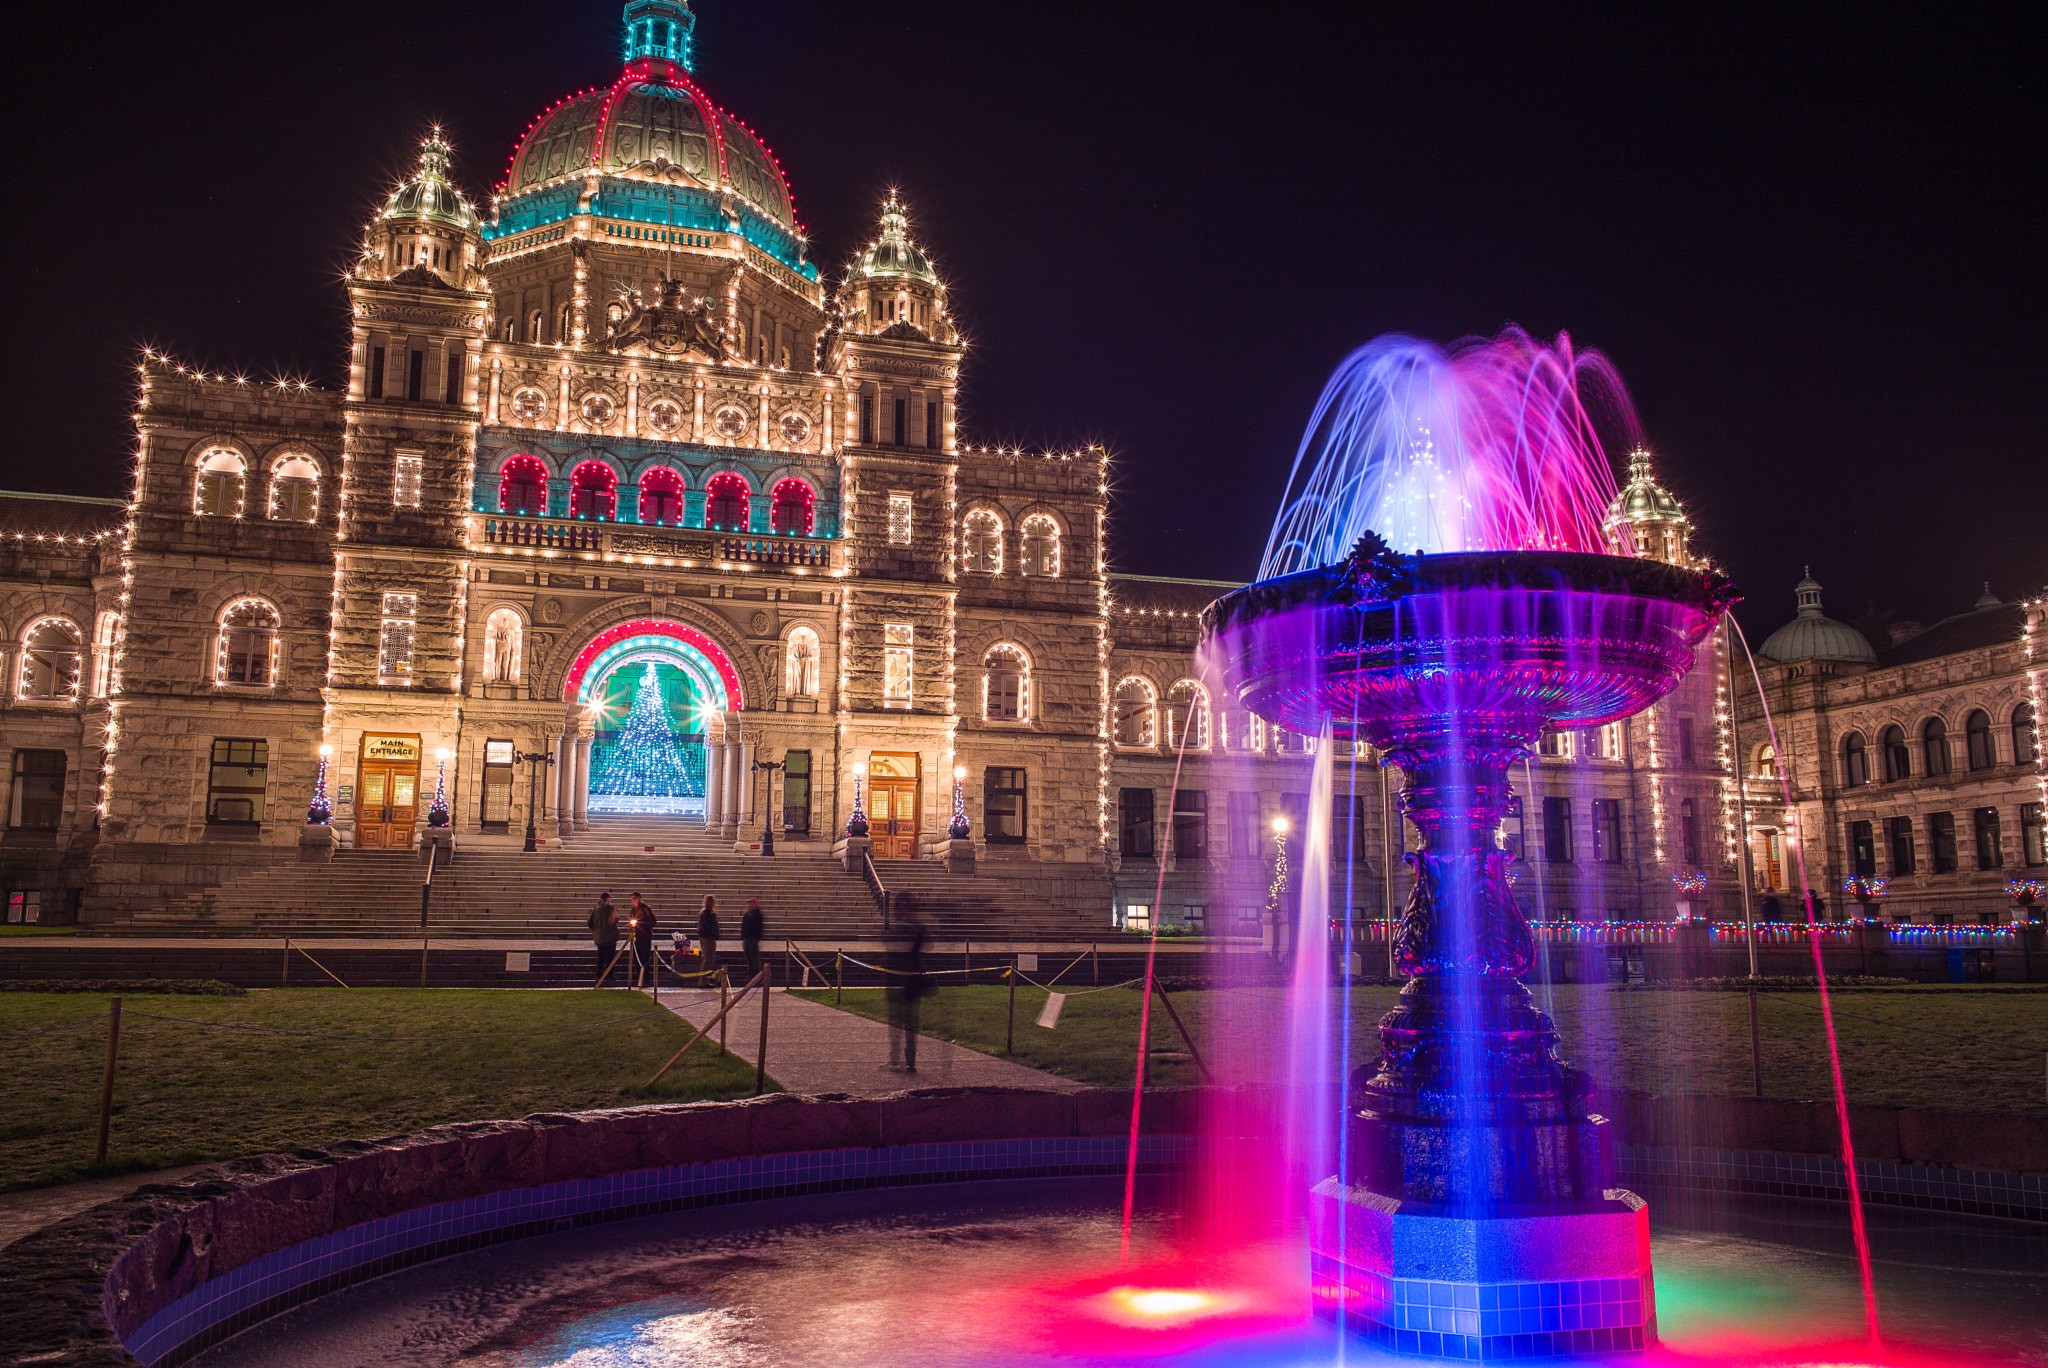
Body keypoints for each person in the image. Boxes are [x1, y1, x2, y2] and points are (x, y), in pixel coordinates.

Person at [887, 893, 929, 1073]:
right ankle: (896, 1060)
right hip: (898, 979)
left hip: (909, 980)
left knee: (907, 1022)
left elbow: (909, 949)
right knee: (898, 1022)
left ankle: (908, 1061)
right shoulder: (901, 928)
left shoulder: (914, 928)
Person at [587, 892, 620, 988]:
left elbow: (590, 923)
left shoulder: (596, 909)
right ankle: (610, 974)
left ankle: (599, 974)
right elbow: (616, 919)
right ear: (608, 899)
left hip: (600, 937)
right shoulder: (611, 908)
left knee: (601, 957)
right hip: (611, 936)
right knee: (610, 957)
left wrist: (597, 929)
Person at [629, 893, 658, 988]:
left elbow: (652, 921)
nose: (633, 900)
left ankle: (645, 976)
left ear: (639, 898)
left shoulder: (645, 908)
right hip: (637, 936)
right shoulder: (633, 910)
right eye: (631, 898)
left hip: (645, 936)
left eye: (634, 898)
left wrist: (641, 924)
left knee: (644, 956)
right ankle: (638, 974)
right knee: (637, 956)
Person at [697, 895, 721, 986]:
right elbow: (706, 926)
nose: (711, 903)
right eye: (709, 901)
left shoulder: (711, 913)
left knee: (710, 960)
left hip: (711, 937)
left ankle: (706, 980)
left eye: (712, 901)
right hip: (707, 938)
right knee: (707, 959)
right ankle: (703, 981)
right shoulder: (705, 913)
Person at [741, 899, 766, 983]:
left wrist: (756, 937)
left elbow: (759, 927)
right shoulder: (747, 914)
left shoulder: (757, 915)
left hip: (753, 938)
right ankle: (751, 976)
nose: (750, 905)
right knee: (749, 958)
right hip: (746, 938)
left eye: (752, 903)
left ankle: (756, 976)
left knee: (754, 958)